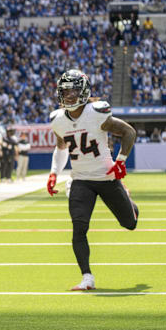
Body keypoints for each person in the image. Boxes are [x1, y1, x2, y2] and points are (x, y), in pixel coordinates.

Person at [47, 69, 138, 291]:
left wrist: (121, 160)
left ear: (84, 91)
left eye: (74, 90)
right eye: (66, 91)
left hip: (106, 177)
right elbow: (61, 148)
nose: (69, 96)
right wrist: (53, 173)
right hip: (80, 180)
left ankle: (129, 200)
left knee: (130, 224)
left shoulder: (97, 113)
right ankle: (87, 277)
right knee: (79, 228)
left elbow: (129, 132)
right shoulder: (58, 120)